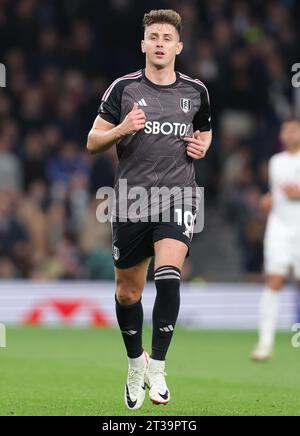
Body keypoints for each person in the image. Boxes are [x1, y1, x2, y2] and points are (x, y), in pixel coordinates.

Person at [87, 9, 212, 409]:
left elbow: (205, 130)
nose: (159, 43)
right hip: (131, 201)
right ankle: (134, 365)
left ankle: (157, 365)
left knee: (170, 274)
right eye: (153, 36)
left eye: (166, 37)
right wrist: (122, 128)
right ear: (143, 44)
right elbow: (92, 141)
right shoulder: (122, 88)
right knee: (128, 293)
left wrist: (203, 145)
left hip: (179, 196)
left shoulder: (196, 91)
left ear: (179, 46)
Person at [251, 119, 300, 361]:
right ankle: (265, 343)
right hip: (279, 228)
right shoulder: (276, 162)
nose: (289, 134)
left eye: (294, 130)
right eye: (286, 130)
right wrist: (267, 200)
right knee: (274, 280)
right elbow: (275, 192)